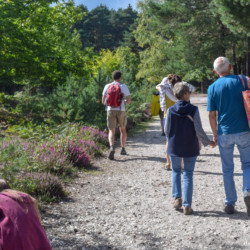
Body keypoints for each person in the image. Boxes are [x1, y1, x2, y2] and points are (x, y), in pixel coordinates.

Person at [207, 56, 250, 216]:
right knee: (247, 164)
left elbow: (212, 115)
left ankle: (230, 203)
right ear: (230, 67)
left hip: (224, 132)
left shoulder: (212, 88)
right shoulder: (243, 80)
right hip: (244, 130)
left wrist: (215, 134)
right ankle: (248, 190)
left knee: (227, 168)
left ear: (214, 71)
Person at [165, 82, 216, 215]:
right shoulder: (193, 110)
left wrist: (171, 139)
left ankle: (177, 198)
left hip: (174, 145)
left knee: (176, 171)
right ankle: (187, 206)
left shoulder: (170, 110)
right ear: (186, 94)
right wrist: (208, 142)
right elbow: (198, 129)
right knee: (188, 174)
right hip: (190, 145)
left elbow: (166, 130)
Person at [156, 74, 195, 170]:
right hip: (182, 117)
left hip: (168, 117)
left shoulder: (164, 89)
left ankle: (168, 163)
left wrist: (163, 83)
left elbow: (157, 86)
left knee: (168, 141)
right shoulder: (182, 92)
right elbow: (192, 88)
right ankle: (181, 165)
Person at [0, 179, 52, 250]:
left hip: (11, 241)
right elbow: (35, 202)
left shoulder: (1, 198)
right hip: (38, 240)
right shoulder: (20, 197)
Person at [102, 70, 131, 160]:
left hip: (110, 110)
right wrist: (124, 101)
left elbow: (103, 101)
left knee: (111, 130)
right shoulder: (123, 86)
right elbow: (129, 101)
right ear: (120, 77)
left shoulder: (107, 86)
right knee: (122, 129)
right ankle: (122, 149)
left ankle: (111, 147)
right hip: (121, 110)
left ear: (112, 77)